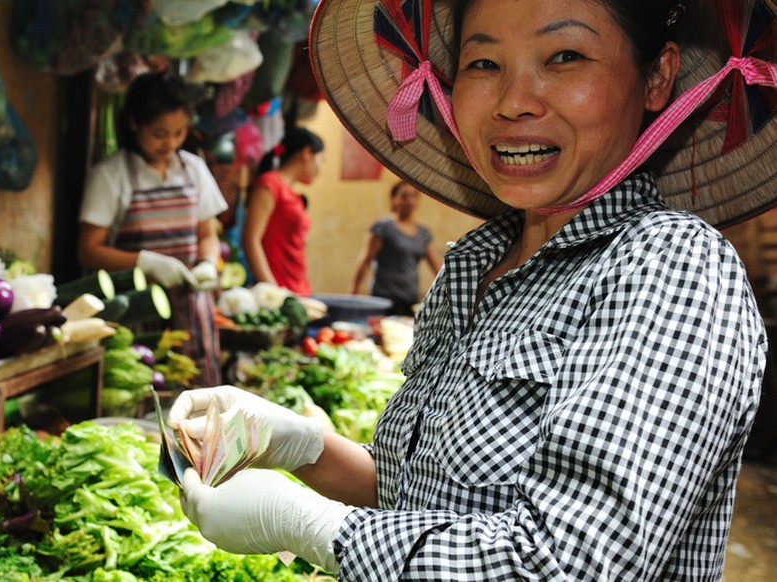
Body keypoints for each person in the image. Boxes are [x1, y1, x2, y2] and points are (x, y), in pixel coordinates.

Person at [170, 0, 775, 579]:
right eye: (483, 63)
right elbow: (421, 493)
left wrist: (310, 526)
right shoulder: (473, 263)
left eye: (565, 56)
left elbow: (571, 565)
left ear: (656, 77)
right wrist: (300, 445)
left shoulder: (671, 266)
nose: (513, 102)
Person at [77, 71, 228, 386]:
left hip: (192, 308)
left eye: (178, 132)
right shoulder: (111, 175)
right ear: (134, 123)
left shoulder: (194, 169)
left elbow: (207, 234)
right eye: (159, 133)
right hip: (135, 310)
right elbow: (88, 250)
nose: (170, 143)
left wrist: (207, 264)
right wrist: (146, 262)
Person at [241, 126, 325, 296]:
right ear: (307, 153)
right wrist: (273, 292)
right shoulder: (270, 184)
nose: (320, 169)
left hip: (298, 290)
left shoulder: (292, 193)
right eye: (321, 159)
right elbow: (250, 240)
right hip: (279, 292)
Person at [350, 181, 443, 315]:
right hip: (383, 299)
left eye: (413, 196)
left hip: (410, 300)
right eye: (404, 196)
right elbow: (365, 261)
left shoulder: (423, 234)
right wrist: (353, 295)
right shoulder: (383, 228)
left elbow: (437, 268)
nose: (409, 201)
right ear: (393, 199)